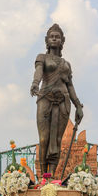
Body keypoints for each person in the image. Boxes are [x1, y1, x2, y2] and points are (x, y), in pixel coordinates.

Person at [30, 24, 83, 177]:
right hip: (45, 98)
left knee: (58, 140)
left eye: (57, 36)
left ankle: (52, 175)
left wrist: (78, 106)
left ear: (62, 41)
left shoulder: (66, 64)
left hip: (63, 102)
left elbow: (70, 85)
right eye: (51, 36)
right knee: (44, 138)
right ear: (47, 40)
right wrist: (35, 83)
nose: (54, 38)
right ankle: (42, 177)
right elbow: (38, 72)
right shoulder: (42, 57)